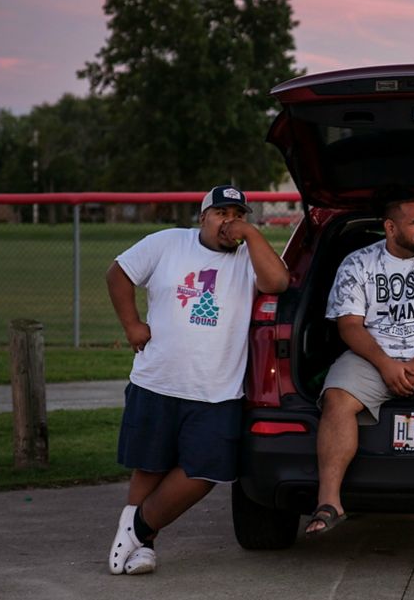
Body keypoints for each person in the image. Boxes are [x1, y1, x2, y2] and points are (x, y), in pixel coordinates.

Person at [105, 185, 289, 575]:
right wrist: (132, 324)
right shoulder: (169, 242)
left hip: (217, 390)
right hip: (158, 380)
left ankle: (136, 528)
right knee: (150, 466)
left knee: (207, 472)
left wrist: (253, 235)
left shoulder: (247, 258)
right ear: (202, 216)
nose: (229, 221)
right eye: (221, 213)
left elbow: (278, 283)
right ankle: (142, 549)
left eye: (237, 214)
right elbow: (118, 273)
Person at [304, 185, 414, 539]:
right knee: (336, 399)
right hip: (371, 355)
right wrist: (385, 363)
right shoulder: (358, 263)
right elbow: (349, 325)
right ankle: (329, 503)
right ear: (390, 227)